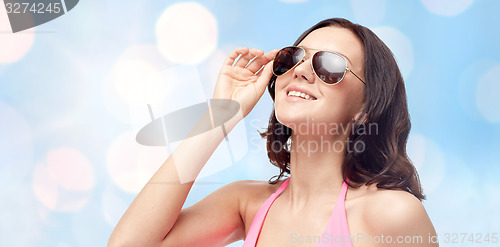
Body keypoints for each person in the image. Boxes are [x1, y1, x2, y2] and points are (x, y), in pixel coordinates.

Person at [108, 18, 438, 247]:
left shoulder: (390, 214)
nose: (301, 71)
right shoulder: (246, 204)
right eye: (291, 58)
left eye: (330, 66)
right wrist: (219, 116)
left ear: (365, 108)